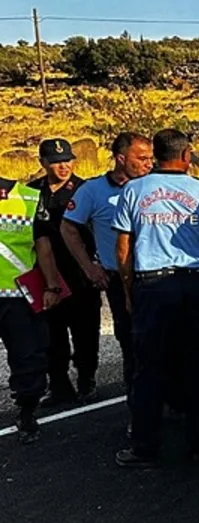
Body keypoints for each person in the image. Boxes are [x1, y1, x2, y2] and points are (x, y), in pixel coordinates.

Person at [112, 129, 199, 468]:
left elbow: (123, 248)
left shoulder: (133, 190)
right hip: (195, 284)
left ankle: (144, 447)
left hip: (152, 285)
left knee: (149, 368)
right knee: (198, 365)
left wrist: (128, 290)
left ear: (155, 154)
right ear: (186, 156)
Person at [61, 132, 154, 420]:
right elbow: (69, 227)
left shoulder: (154, 185)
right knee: (132, 346)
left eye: (151, 158)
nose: (149, 164)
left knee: (163, 343)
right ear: (121, 158)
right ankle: (138, 413)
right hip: (120, 280)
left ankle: (171, 403)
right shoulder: (92, 190)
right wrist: (89, 267)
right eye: (142, 159)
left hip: (158, 277)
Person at [27, 139, 96, 406]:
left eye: (68, 159)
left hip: (79, 273)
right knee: (50, 336)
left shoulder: (85, 190)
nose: (63, 165)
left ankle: (86, 379)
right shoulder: (31, 193)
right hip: (45, 275)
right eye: (56, 161)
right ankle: (59, 385)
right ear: (42, 163)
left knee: (85, 332)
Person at [0, 174, 63, 443]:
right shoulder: (27, 196)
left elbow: (43, 246)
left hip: (18, 295)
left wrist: (52, 286)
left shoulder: (28, 197)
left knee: (28, 358)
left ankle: (27, 412)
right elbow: (43, 247)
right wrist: (51, 286)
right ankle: (27, 416)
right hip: (17, 297)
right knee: (27, 357)